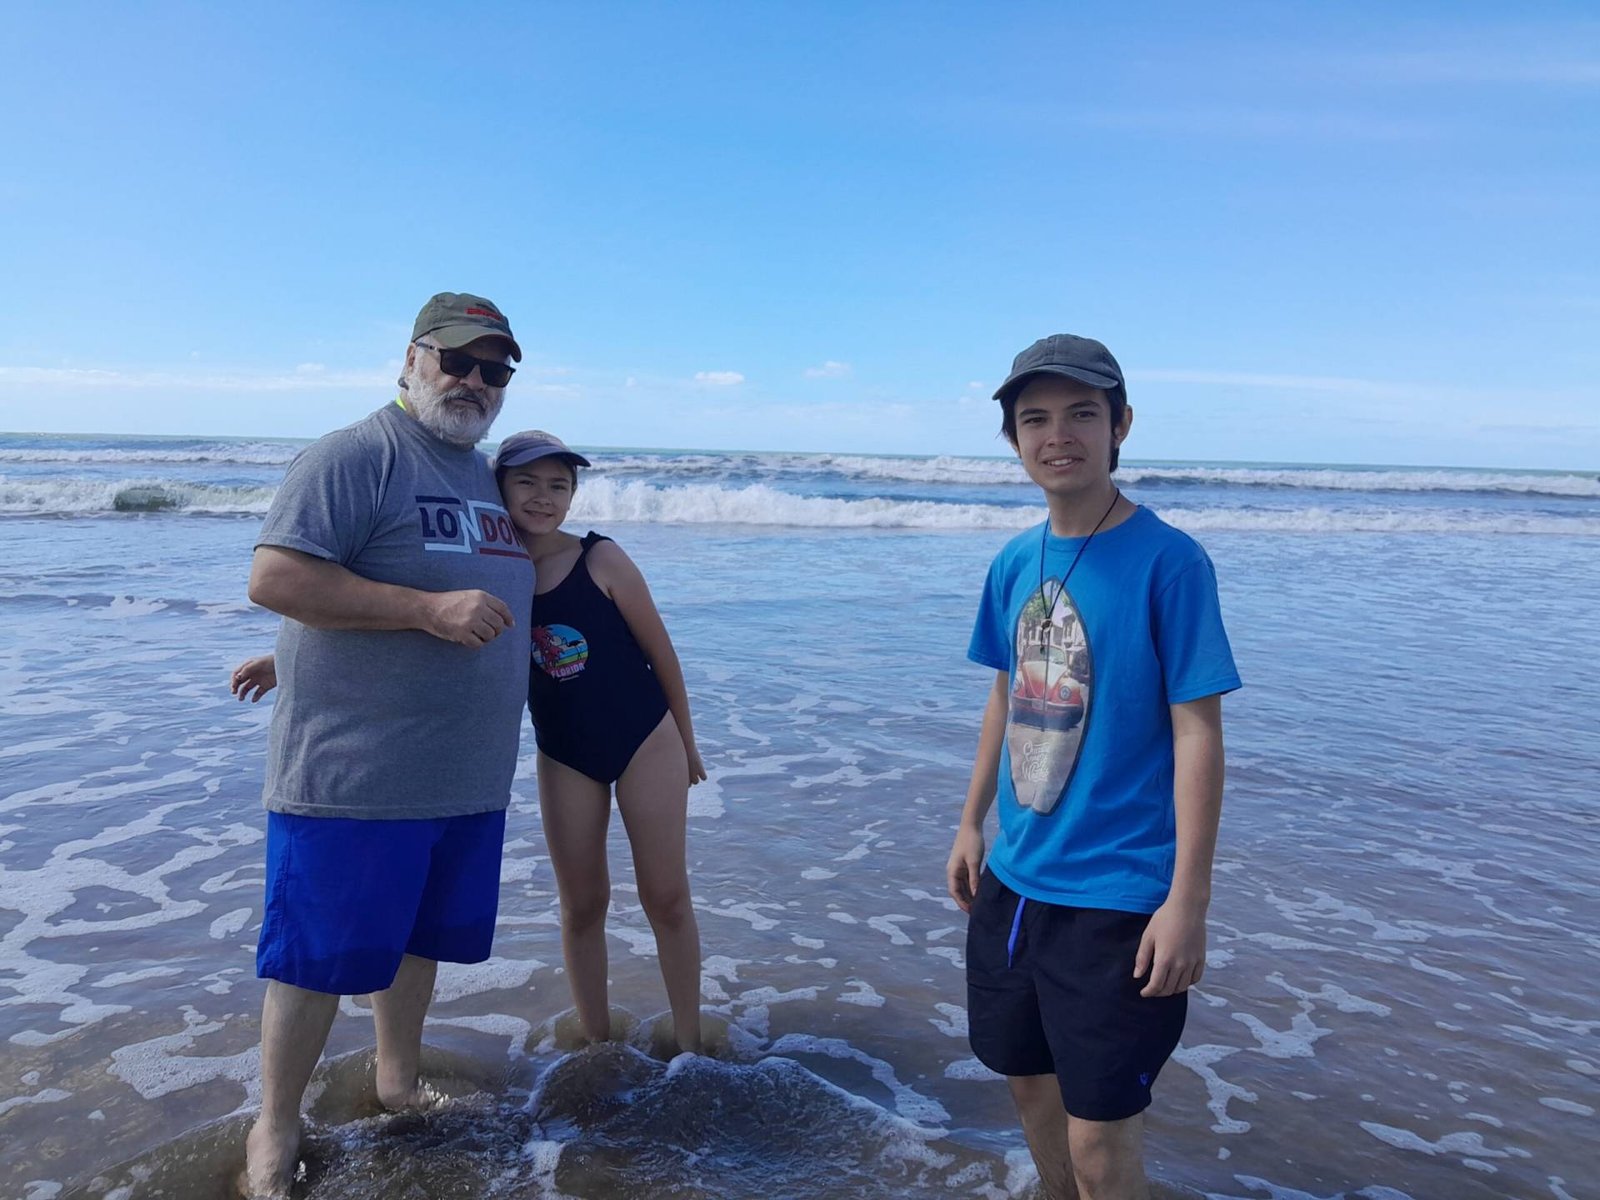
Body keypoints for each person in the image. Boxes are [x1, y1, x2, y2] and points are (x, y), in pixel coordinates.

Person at [234, 429, 708, 1057]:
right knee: (582, 903)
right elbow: (414, 627)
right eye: (526, 482)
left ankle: (692, 1045)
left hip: (646, 738)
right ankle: (597, 1048)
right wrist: (286, 660)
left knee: (665, 896)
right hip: (565, 750)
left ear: (573, 496)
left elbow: (660, 652)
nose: (543, 497)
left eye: (559, 486)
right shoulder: (492, 565)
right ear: (496, 488)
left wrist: (687, 743)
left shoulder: (600, 559)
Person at [236, 292, 533, 1198]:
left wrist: (303, 648)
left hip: (464, 774)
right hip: (356, 774)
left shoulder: (485, 475)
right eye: (457, 361)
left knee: (417, 941)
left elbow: (385, 576)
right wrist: (423, 611)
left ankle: (396, 1080)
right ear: (412, 359)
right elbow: (276, 576)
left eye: (494, 369)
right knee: (316, 961)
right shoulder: (356, 455)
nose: (474, 381)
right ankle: (274, 1127)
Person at [945, 335, 1241, 1200]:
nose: (1058, 435)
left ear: (1121, 425)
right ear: (1014, 439)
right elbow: (1006, 699)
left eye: (1081, 413)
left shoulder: (1170, 562)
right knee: (1028, 1085)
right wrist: (970, 823)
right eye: (1034, 419)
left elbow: (1198, 734)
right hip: (1014, 882)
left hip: (1117, 896)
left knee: (1100, 1144)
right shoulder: (1013, 561)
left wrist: (1187, 901)